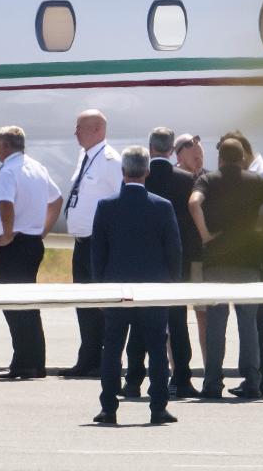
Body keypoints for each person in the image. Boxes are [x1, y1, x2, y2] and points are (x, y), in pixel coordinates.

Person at [189, 138, 263, 400]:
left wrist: (205, 234)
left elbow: (194, 203)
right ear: (242, 157)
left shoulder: (209, 180)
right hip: (248, 262)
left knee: (215, 325)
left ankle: (212, 382)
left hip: (217, 262)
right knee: (248, 325)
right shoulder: (255, 181)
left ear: (221, 159)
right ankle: (252, 382)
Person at [91, 146, 182, 425]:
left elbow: (98, 253)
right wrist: (171, 284)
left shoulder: (106, 206)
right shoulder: (162, 207)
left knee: (112, 349)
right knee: (157, 349)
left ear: (123, 171)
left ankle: (108, 407)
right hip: (153, 290)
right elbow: (174, 252)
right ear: (147, 172)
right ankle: (157, 407)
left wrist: (100, 288)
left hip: (117, 290)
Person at [122, 127, 201, 398]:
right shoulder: (186, 179)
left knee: (138, 324)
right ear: (171, 150)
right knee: (178, 322)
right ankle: (181, 378)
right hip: (176, 262)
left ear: (150, 147)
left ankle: (133, 380)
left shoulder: (141, 177)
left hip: (141, 261)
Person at [0, 126, 62, 379]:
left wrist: (6, 234)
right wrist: (43, 230)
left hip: (13, 245)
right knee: (28, 305)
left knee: (14, 305)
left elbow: (6, 203)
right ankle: (34, 362)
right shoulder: (36, 167)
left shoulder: (8, 170)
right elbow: (57, 198)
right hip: (32, 242)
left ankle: (22, 363)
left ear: (6, 146)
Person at [218, 130, 263, 397]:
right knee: (255, 315)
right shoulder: (256, 173)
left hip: (260, 249)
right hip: (254, 249)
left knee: (260, 316)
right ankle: (258, 377)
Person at [61, 109, 122, 377]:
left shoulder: (110, 161)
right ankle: (88, 358)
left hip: (100, 244)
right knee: (83, 302)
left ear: (98, 130)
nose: (75, 132)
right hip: (82, 242)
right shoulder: (85, 157)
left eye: (81, 128)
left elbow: (122, 200)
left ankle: (106, 361)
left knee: (101, 305)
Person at [174, 132, 208, 362]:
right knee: (173, 315)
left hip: (198, 258)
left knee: (203, 314)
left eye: (200, 150)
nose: (197, 152)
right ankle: (176, 369)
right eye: (190, 148)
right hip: (175, 258)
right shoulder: (170, 179)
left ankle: (209, 368)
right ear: (178, 154)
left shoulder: (208, 180)